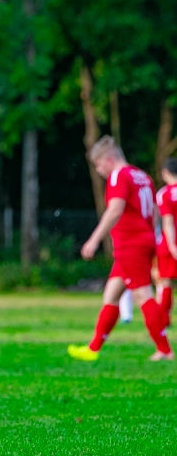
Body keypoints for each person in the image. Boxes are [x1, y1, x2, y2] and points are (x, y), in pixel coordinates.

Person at [68, 136, 173, 362]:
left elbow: (115, 209)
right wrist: (150, 236)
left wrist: (94, 239)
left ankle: (164, 350)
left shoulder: (118, 176)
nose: (98, 171)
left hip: (130, 244)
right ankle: (93, 348)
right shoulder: (142, 176)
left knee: (143, 294)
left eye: (98, 165)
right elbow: (154, 212)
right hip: (143, 240)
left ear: (108, 159)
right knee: (112, 294)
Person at [155, 157, 177, 328]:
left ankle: (163, 320)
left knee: (166, 282)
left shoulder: (164, 194)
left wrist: (172, 246)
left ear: (165, 173)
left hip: (170, 243)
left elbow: (168, 222)